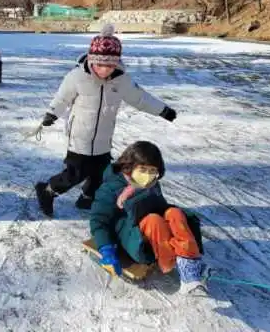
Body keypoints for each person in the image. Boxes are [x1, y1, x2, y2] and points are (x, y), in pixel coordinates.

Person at [34, 24, 177, 217]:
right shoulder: (77, 77)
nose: (104, 70)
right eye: (99, 65)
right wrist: (52, 113)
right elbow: (62, 98)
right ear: (91, 60)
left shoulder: (122, 80)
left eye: (109, 66)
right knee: (76, 173)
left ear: (116, 64)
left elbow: (140, 98)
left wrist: (163, 110)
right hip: (80, 135)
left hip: (104, 136)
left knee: (101, 172)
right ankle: (47, 190)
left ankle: (87, 198)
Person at [90, 141, 208, 294]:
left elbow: (160, 205)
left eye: (152, 170)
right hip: (133, 238)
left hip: (155, 234)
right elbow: (99, 220)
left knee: (174, 213)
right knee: (154, 220)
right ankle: (170, 262)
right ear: (129, 166)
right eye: (142, 169)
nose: (147, 175)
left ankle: (189, 269)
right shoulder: (111, 189)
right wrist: (106, 249)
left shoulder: (151, 183)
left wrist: (178, 218)